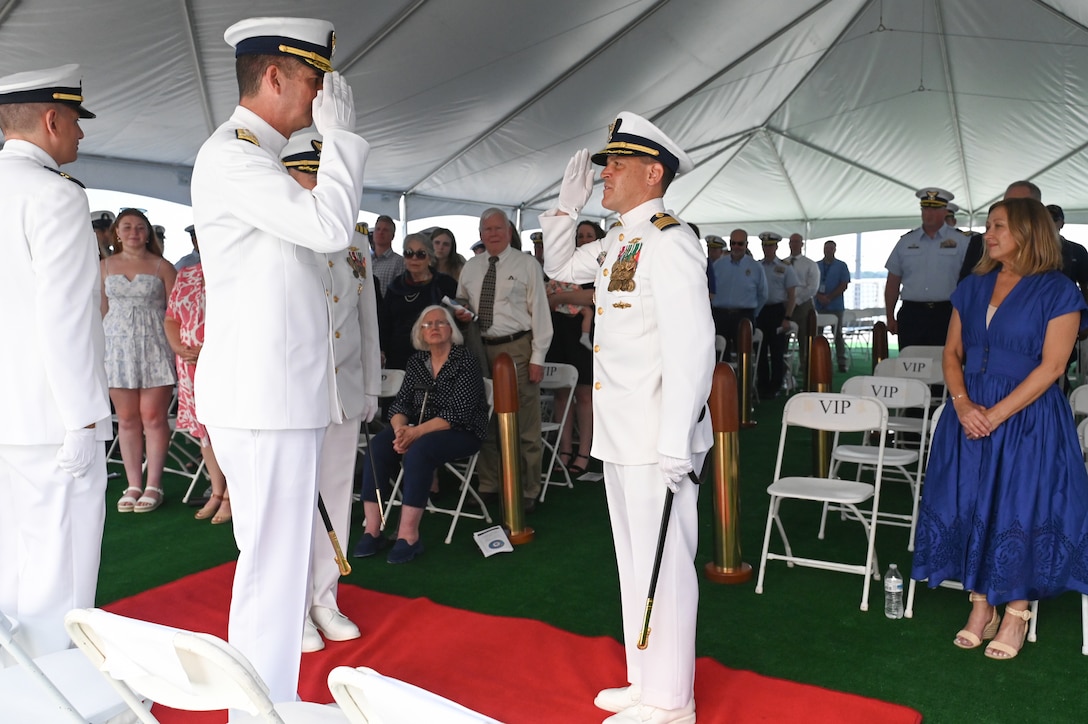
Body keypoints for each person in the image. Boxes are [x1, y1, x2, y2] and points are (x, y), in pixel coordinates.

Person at [189, 16, 368, 708]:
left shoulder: (257, 159)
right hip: (262, 399)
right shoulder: (235, 157)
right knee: (270, 570)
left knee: (282, 564)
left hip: (279, 395)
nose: (320, 100)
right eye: (314, 83)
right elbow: (329, 227)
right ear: (275, 77)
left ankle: (267, 704)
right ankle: (257, 709)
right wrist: (344, 142)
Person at [541, 112, 714, 724]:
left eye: (616, 164)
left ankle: (673, 701)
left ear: (653, 172)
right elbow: (560, 269)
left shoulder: (670, 240)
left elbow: (694, 346)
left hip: (656, 436)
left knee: (665, 564)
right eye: (605, 163)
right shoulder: (621, 240)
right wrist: (565, 209)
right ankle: (644, 682)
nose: (605, 173)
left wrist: (675, 441)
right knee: (633, 561)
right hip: (621, 433)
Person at [912, 197, 1088, 661]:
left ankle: (1015, 610)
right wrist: (963, 403)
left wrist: (994, 414)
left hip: (1028, 417)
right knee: (972, 501)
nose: (988, 234)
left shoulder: (1059, 290)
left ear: (1030, 232)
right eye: (989, 225)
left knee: (1019, 507)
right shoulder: (973, 286)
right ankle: (980, 604)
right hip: (968, 413)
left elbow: (1051, 368)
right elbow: (951, 354)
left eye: (1000, 226)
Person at [0, 64, 112, 659]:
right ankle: (55, 699)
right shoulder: (57, 195)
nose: (80, 135)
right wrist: (81, 420)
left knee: (10, 565)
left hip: (6, 413)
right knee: (60, 573)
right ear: (50, 119)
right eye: (74, 121)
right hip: (52, 416)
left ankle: (13, 686)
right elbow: (65, 317)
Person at [279, 130, 381, 652]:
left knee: (336, 493)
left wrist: (369, 384)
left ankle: (325, 597)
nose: (319, 185)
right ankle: (291, 609)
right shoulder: (278, 230)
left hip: (342, 389)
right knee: (295, 502)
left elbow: (366, 317)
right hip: (296, 391)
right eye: (309, 174)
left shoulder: (355, 237)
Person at [354, 305, 488, 563]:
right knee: (379, 447)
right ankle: (372, 529)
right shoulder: (416, 362)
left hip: (462, 431)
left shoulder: (466, 360)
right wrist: (400, 431)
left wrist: (415, 434)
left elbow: (458, 412)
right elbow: (401, 404)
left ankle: (408, 536)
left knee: (419, 451)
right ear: (420, 333)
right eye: (427, 325)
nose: (434, 328)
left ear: (451, 329)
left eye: (440, 323)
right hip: (419, 429)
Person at [454, 208, 552, 512]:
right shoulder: (470, 267)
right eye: (487, 229)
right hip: (479, 349)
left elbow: (541, 313)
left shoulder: (527, 264)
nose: (493, 234)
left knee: (524, 423)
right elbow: (462, 304)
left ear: (509, 232)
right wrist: (460, 312)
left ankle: (528, 488)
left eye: (498, 228)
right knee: (485, 421)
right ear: (480, 234)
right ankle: (489, 484)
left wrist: (537, 357)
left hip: (517, 350)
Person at [100, 207, 177, 513]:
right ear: (116, 232)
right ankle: (133, 483)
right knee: (128, 420)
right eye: (127, 227)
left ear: (148, 233)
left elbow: (175, 310)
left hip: (155, 345)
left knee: (154, 418)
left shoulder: (163, 267)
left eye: (140, 227)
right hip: (117, 349)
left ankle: (153, 484)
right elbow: (101, 310)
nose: (134, 232)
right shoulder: (104, 267)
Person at [163, 256, 230, 524]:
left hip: (224, 362)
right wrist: (178, 347)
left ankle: (232, 495)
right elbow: (171, 318)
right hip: (189, 365)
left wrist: (210, 352)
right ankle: (216, 490)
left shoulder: (234, 268)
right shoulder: (186, 274)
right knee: (204, 431)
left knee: (226, 428)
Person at [545, 219, 603, 476]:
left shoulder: (603, 268)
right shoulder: (565, 266)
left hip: (587, 337)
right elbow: (547, 295)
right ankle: (563, 450)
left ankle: (584, 452)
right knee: (561, 394)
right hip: (559, 332)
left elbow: (594, 296)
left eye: (589, 235)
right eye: (580, 235)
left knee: (584, 395)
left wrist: (560, 298)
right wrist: (559, 298)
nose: (584, 239)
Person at [885, 187, 968, 348]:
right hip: (912, 314)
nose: (929, 213)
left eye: (935, 209)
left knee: (946, 366)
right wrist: (889, 316)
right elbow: (892, 282)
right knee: (909, 364)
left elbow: (972, 281)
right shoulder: (905, 242)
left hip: (947, 314)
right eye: (926, 208)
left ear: (945, 211)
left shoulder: (962, 241)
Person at [378, 233, 459, 370]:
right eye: (409, 253)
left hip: (434, 356)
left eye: (420, 254)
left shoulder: (445, 284)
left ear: (430, 258)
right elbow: (385, 323)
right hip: (398, 358)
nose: (414, 258)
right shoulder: (395, 286)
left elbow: (455, 318)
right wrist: (381, 350)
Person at [959, 181, 1041, 280]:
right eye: (1006, 202)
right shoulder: (979, 244)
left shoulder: (1060, 251)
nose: (1010, 208)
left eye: (1018, 205)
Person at [710, 229, 767, 361]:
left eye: (740, 244)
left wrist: (753, 313)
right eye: (733, 243)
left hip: (744, 316)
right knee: (719, 357)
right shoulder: (718, 265)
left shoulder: (756, 267)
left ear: (746, 244)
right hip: (720, 316)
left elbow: (763, 294)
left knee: (744, 357)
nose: (736, 247)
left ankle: (743, 382)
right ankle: (721, 382)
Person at [756, 231, 797, 398]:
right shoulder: (756, 266)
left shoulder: (785, 267)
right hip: (760, 311)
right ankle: (762, 384)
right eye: (765, 245)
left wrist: (787, 317)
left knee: (777, 351)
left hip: (777, 311)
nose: (767, 248)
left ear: (776, 247)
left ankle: (776, 385)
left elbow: (792, 295)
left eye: (770, 245)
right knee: (760, 351)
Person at [815, 240, 851, 371]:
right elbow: (811, 283)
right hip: (818, 306)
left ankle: (841, 362)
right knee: (817, 334)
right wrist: (819, 296)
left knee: (838, 335)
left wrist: (829, 297)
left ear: (835, 250)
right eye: (826, 248)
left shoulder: (842, 266)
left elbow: (844, 284)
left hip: (835, 306)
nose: (828, 251)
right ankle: (816, 359)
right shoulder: (816, 265)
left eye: (830, 248)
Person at [786, 233, 820, 372]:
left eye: (797, 242)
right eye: (792, 241)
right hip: (785, 304)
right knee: (783, 339)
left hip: (803, 304)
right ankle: (785, 370)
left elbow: (813, 288)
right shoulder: (783, 263)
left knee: (805, 339)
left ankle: (806, 369)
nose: (794, 244)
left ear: (802, 244)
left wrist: (797, 300)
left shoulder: (810, 264)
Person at [371, 214, 404, 295]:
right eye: (378, 229)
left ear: (392, 236)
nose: (380, 232)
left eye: (385, 230)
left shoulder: (399, 262)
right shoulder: (365, 260)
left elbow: (399, 292)